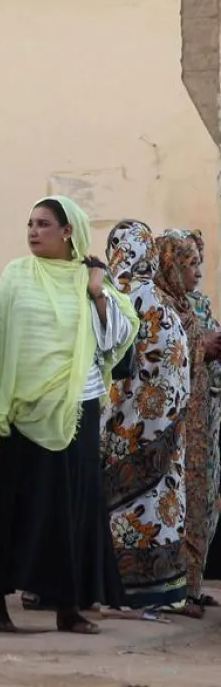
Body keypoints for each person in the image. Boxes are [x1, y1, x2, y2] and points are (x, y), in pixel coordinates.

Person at [0, 197, 137, 635]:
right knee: (15, 505)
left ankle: (69, 607)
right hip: (24, 408)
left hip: (76, 407)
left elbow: (114, 342)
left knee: (71, 507)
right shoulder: (16, 276)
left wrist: (97, 291)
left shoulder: (89, 280)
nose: (33, 231)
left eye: (43, 224)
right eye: (29, 223)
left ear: (69, 232)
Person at [100, 220, 191, 615]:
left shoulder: (113, 297)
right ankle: (159, 590)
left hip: (125, 430)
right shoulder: (159, 302)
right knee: (157, 507)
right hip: (165, 431)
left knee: (125, 511)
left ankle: (120, 588)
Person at [156, 229, 216, 613]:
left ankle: (192, 585)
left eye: (199, 263)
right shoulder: (158, 305)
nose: (197, 271)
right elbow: (160, 357)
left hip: (203, 416)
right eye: (189, 263)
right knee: (176, 503)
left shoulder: (195, 303)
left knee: (203, 498)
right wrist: (201, 346)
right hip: (175, 419)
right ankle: (174, 589)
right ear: (170, 264)